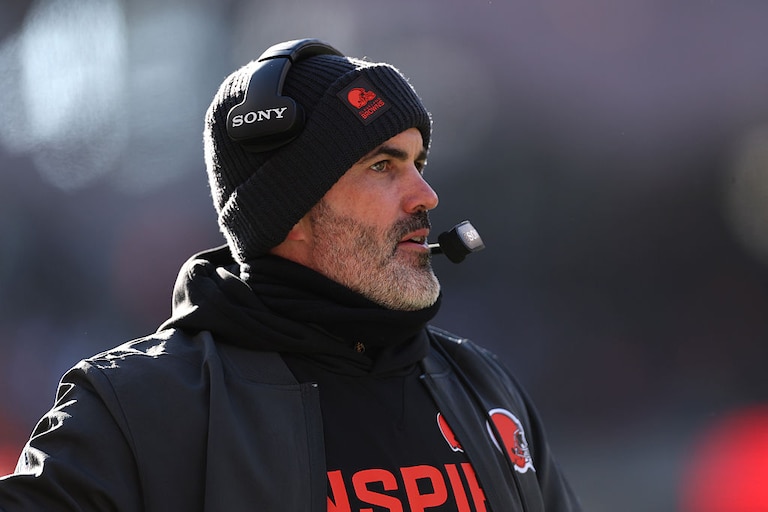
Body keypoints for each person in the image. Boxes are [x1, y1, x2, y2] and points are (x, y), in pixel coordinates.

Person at [0, 38, 581, 511]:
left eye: (418, 163)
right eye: (383, 166)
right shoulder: (135, 411)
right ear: (290, 212)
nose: (425, 195)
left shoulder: (484, 387)